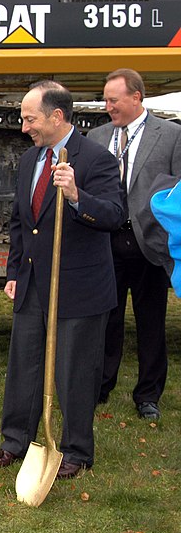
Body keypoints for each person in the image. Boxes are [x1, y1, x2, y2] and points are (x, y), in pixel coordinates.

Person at [0, 81, 126, 479]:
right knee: (24, 366)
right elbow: (20, 222)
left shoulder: (95, 159)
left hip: (79, 288)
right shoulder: (31, 159)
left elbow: (114, 216)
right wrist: (14, 271)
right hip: (32, 283)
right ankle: (16, 441)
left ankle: (76, 450)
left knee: (74, 371)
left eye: (30, 118)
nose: (24, 126)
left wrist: (78, 197)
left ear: (57, 116)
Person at [87, 68, 181, 420]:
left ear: (136, 97)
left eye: (113, 99)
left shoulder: (171, 135)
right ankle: (101, 385)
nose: (107, 105)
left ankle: (148, 395)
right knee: (106, 319)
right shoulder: (97, 137)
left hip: (149, 243)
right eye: (105, 99)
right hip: (106, 242)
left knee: (151, 321)